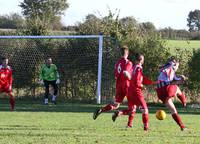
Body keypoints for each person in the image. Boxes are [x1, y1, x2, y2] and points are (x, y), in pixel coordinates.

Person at [112, 53, 154, 131]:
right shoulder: (138, 68)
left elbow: (140, 78)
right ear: (141, 60)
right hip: (136, 92)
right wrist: (142, 86)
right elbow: (137, 82)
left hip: (130, 91)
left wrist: (151, 82)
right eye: (143, 59)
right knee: (145, 110)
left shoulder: (133, 67)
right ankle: (146, 129)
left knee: (132, 110)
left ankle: (121, 114)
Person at [93, 45, 133, 120]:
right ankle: (126, 121)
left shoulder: (117, 63)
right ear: (127, 54)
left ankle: (101, 110)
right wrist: (131, 79)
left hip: (119, 85)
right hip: (126, 85)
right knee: (132, 106)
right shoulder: (128, 62)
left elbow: (115, 76)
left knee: (116, 104)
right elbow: (125, 72)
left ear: (121, 54)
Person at [155, 56, 187, 130]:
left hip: (159, 92)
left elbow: (176, 80)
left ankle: (182, 126)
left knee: (173, 110)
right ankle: (184, 102)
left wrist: (181, 78)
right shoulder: (171, 64)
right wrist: (175, 64)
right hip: (166, 88)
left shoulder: (172, 73)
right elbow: (165, 67)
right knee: (177, 89)